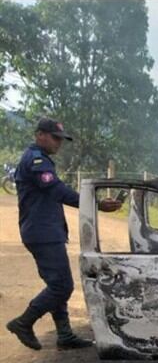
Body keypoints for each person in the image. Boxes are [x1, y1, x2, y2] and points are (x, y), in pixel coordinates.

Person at [5, 118, 122, 351]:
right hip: (43, 233)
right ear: (40, 135)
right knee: (62, 286)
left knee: (55, 283)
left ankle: (65, 335)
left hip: (44, 231)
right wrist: (94, 203)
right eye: (55, 137)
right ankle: (24, 322)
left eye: (61, 139)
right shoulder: (37, 160)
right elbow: (56, 189)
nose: (59, 143)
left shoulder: (39, 159)